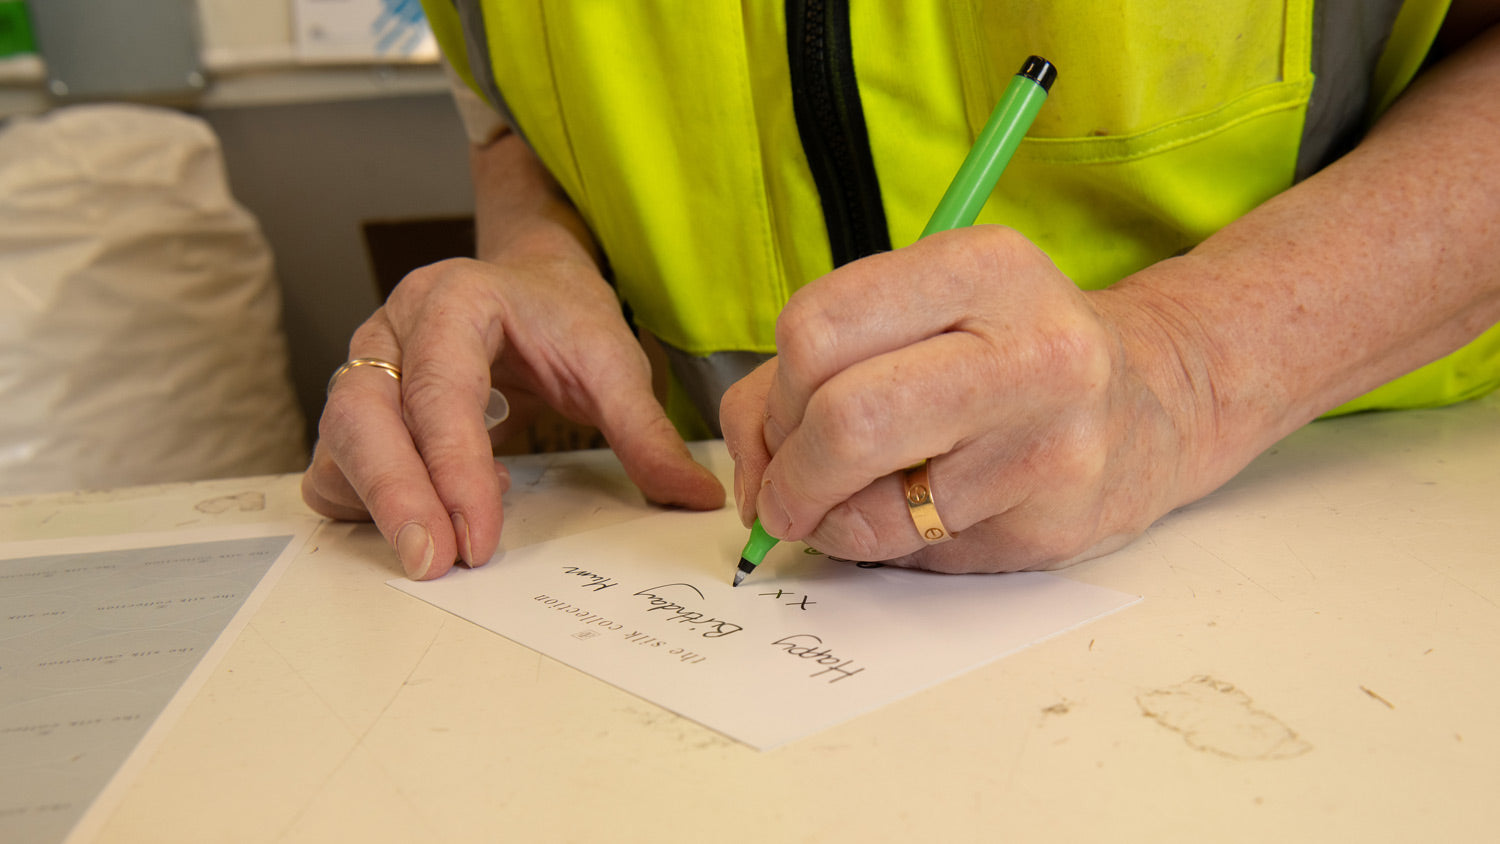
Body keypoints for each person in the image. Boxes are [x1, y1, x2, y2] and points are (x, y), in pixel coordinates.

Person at [303, 1, 1500, 581]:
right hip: (757, 552)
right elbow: (507, 99)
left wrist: (1182, 370)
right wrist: (540, 249)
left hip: (1375, 534)